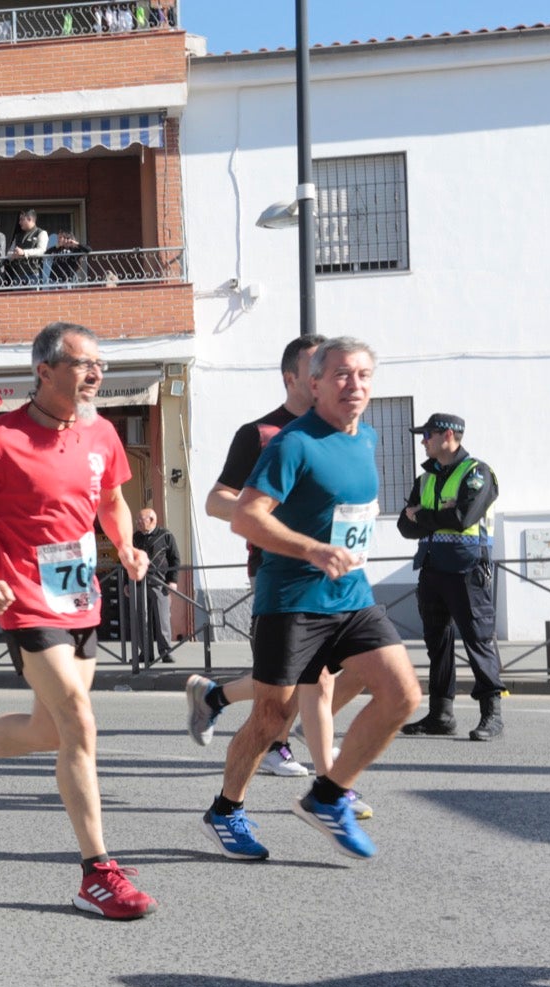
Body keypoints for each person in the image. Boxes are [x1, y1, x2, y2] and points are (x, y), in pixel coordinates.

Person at [0, 322, 158, 919]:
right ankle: (97, 874)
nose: (96, 374)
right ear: (44, 371)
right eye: (82, 364)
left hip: (81, 600)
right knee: (79, 721)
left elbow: (112, 501)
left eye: (100, 363)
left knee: (48, 732)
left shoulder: (102, 432)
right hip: (24, 597)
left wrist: (125, 546)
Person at [206, 337, 422, 863]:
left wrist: (338, 551)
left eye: (365, 375)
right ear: (315, 383)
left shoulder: (366, 436)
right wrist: (313, 549)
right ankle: (226, 809)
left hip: (351, 596)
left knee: (403, 695)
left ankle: (326, 796)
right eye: (343, 375)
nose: (356, 385)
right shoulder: (292, 443)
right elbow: (245, 516)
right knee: (270, 720)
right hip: (291, 600)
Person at [186, 333, 332, 780]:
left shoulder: (339, 432)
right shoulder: (261, 434)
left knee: (323, 674)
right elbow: (216, 502)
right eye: (316, 371)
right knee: (299, 678)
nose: (328, 378)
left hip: (331, 570)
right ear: (291, 378)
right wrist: (268, 515)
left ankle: (218, 700)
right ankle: (285, 752)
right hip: (276, 570)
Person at [397, 412, 504, 740]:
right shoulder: (425, 478)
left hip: (466, 569)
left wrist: (423, 516)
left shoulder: (477, 473)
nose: (422, 441)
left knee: (478, 639)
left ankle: (492, 715)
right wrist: (430, 517)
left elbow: (462, 517)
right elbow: (404, 526)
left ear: (447, 436)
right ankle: (440, 715)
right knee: (437, 643)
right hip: (431, 569)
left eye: (427, 435)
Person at [130, 507, 179, 664]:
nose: (137, 522)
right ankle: (145, 653)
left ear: (152, 520)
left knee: (162, 619)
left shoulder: (166, 536)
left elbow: (175, 558)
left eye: (140, 520)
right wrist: (126, 583)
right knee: (141, 619)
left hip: (159, 583)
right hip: (139, 583)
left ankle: (165, 652)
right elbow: (127, 560)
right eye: (137, 520)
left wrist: (173, 580)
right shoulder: (135, 537)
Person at [6, 209, 49, 287]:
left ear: (29, 219)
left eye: (22, 219)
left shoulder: (41, 233)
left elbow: (41, 250)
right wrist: (13, 255)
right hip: (17, 275)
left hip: (33, 274)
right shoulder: (18, 236)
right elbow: (9, 253)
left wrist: (24, 252)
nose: (19, 222)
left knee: (33, 298)